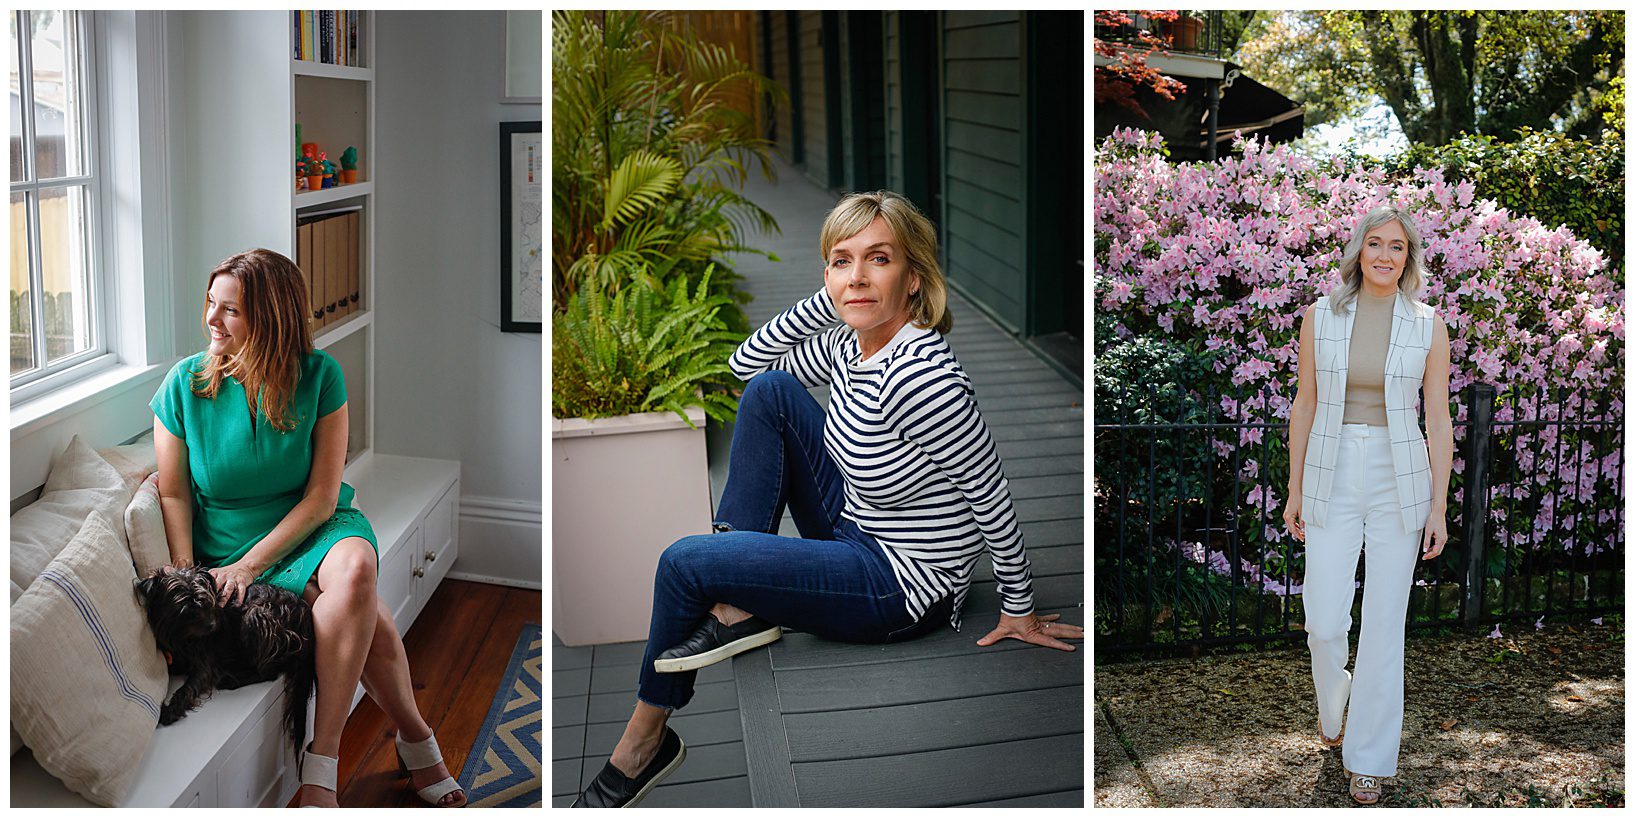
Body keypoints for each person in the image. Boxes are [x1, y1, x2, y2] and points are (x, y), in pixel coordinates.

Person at [573, 190, 1084, 808]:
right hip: (857, 519)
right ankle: (742, 605)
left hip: (898, 584)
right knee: (770, 390)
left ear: (915, 279)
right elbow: (745, 364)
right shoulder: (852, 341)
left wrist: (1020, 608)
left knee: (683, 562)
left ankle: (643, 740)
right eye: (842, 261)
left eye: (879, 260)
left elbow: (991, 495)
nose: (859, 276)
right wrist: (843, 295)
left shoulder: (926, 381)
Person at [151, 249, 466, 808]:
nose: (211, 320)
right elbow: (173, 492)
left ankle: (320, 770)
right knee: (370, 618)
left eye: (230, 310)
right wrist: (186, 574)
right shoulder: (183, 386)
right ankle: (417, 740)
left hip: (312, 523)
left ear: (270, 317)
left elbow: (322, 498)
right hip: (227, 543)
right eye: (210, 304)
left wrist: (254, 567)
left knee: (358, 571)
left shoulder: (320, 376)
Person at [1283, 205, 1452, 805]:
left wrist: (1438, 505)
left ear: (1409, 259)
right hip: (1331, 471)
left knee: (1385, 623)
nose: (1385, 256)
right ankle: (1335, 708)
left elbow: (1437, 415)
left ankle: (1371, 758)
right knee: (1323, 621)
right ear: (1359, 251)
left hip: (1398, 474)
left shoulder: (1428, 323)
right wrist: (1295, 486)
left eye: (1397, 247)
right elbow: (1306, 402)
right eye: (1375, 244)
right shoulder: (1320, 316)